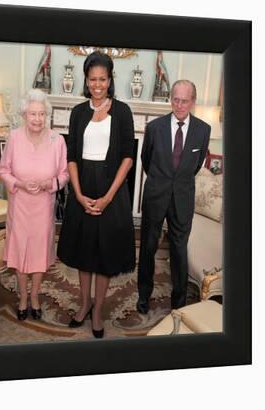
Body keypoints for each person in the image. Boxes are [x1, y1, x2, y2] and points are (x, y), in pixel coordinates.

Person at [57, 51, 136, 339]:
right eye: (92, 79)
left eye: (103, 79)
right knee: (83, 252)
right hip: (83, 189)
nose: (97, 85)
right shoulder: (78, 112)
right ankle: (84, 303)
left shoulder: (124, 111)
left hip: (111, 192)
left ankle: (98, 309)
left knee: (103, 255)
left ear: (110, 79)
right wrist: (77, 194)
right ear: (86, 80)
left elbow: (128, 157)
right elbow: (72, 156)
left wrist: (108, 197)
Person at [137, 80, 211, 314]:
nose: (179, 105)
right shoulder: (155, 127)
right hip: (155, 195)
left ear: (193, 102)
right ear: (171, 99)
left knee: (180, 250)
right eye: (175, 99)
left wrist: (176, 182)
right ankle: (143, 295)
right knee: (148, 247)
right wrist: (161, 181)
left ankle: (179, 302)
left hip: (182, 197)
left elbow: (196, 166)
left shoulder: (203, 130)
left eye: (185, 100)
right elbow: (146, 160)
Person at [0, 89, 69, 321]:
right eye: (32, 114)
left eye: (41, 114)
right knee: (20, 252)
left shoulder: (57, 141)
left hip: (43, 207)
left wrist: (51, 184)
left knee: (39, 253)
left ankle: (35, 296)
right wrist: (18, 182)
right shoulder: (14, 137)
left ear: (46, 115)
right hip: (19, 205)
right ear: (24, 115)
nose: (37, 119)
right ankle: (22, 298)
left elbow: (65, 174)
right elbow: (3, 170)